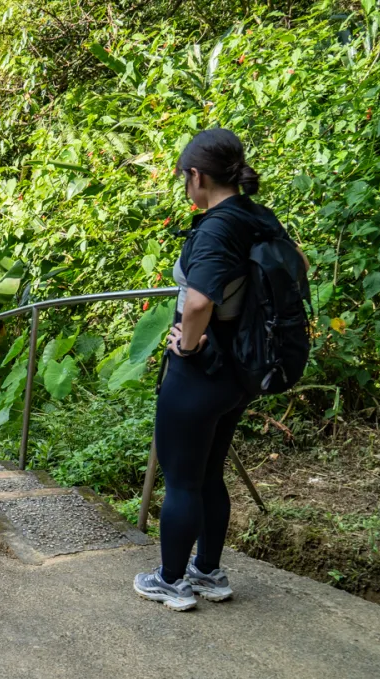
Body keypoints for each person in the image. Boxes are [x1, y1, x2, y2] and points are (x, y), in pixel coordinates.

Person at [133, 128, 303, 611]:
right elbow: (297, 264)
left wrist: (186, 347)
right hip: (239, 372)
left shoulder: (215, 227)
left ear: (196, 176)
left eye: (184, 179)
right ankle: (207, 572)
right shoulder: (258, 215)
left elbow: (201, 299)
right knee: (209, 473)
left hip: (200, 372)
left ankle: (169, 581)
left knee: (182, 479)